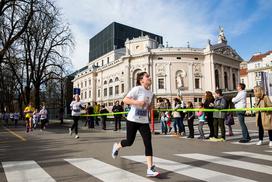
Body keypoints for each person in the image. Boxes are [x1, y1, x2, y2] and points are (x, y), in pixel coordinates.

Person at [111, 71, 160, 177]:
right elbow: (125, 100)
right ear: (141, 80)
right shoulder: (137, 89)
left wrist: (153, 107)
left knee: (148, 143)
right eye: (147, 76)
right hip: (132, 120)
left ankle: (150, 169)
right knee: (129, 142)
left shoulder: (151, 93)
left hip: (143, 122)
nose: (150, 77)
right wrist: (138, 103)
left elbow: (150, 107)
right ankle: (117, 146)